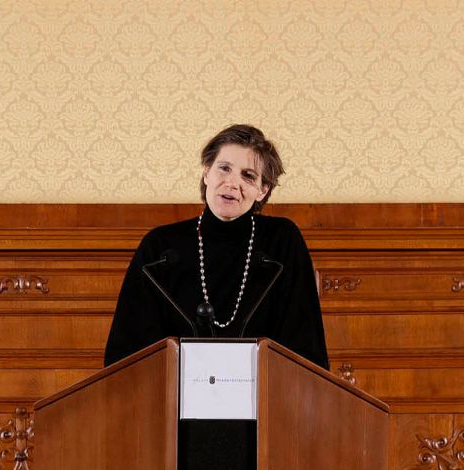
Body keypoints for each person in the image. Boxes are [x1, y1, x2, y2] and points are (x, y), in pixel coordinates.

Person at [104, 123, 327, 368]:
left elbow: (305, 349)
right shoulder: (160, 248)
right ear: (206, 172)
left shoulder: (282, 241)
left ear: (262, 190)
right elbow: (126, 356)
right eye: (224, 169)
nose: (231, 183)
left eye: (248, 175)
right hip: (172, 400)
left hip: (263, 399)